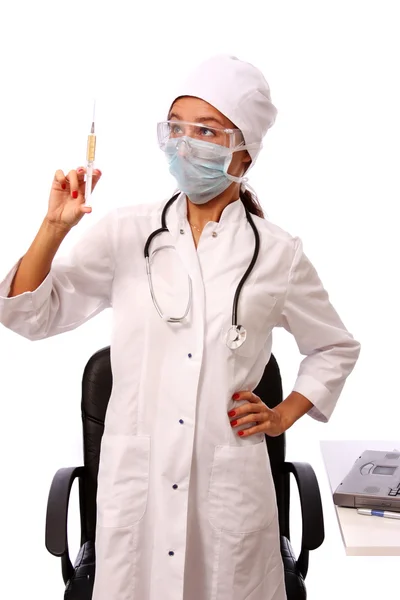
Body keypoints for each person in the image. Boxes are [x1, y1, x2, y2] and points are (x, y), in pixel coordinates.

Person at [0, 54, 360, 600]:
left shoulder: (277, 254)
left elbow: (334, 346)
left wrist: (285, 413)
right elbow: (29, 314)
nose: (185, 144)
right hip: (135, 498)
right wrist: (53, 227)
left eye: (206, 131)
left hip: (229, 498)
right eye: (176, 128)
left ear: (244, 149)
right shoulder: (126, 233)